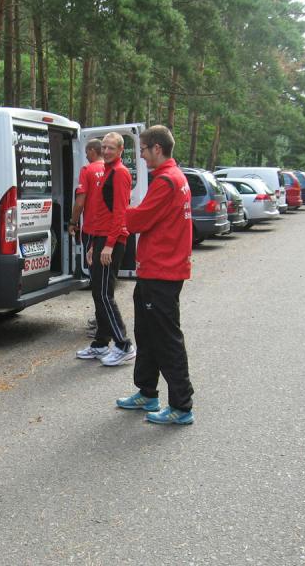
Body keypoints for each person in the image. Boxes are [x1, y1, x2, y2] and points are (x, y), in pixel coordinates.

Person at [116, 125, 195, 425]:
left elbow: (139, 220)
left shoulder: (166, 181)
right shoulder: (174, 177)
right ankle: (147, 392)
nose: (142, 156)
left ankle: (181, 406)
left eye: (144, 150)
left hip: (162, 271)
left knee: (166, 339)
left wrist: (123, 209)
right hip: (154, 269)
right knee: (146, 334)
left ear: (157, 148)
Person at [74, 132, 136, 367]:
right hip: (100, 239)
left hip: (112, 241)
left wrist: (109, 244)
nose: (107, 151)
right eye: (104, 147)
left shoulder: (119, 173)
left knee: (103, 294)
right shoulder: (107, 171)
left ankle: (124, 345)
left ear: (120, 151)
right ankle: (101, 343)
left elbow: (120, 213)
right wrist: (93, 245)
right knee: (98, 293)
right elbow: (101, 213)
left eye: (111, 148)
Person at [68, 139, 105, 338]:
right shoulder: (111, 169)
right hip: (107, 230)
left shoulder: (88, 170)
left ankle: (103, 322)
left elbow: (80, 202)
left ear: (92, 151)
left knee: (96, 278)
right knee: (104, 279)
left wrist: (73, 222)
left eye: (87, 151)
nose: (86, 155)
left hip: (92, 229)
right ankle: (101, 317)